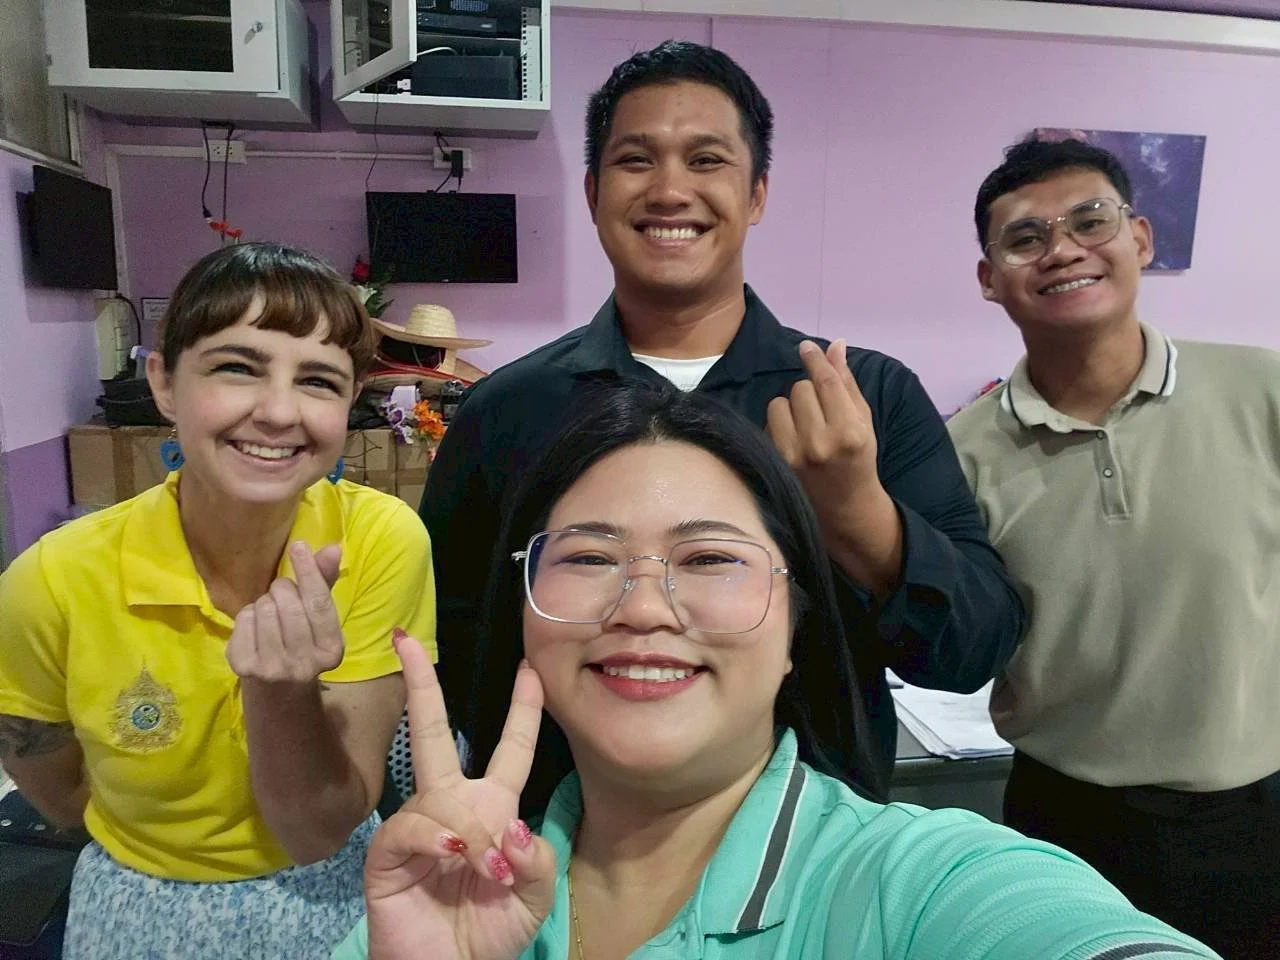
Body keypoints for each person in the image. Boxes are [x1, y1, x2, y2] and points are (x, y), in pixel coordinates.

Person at [334, 379, 1217, 960]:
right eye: (591, 557)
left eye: (711, 559)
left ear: (796, 622)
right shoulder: (429, 901)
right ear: (524, 608)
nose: (643, 606)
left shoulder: (917, 887)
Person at [422, 40, 1024, 783]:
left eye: (707, 160)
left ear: (758, 193)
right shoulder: (505, 410)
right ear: (593, 193)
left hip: (810, 846)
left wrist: (858, 515)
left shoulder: (863, 394)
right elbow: (457, 645)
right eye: (636, 160)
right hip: (558, 845)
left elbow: (975, 650)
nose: (670, 190)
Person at [0, 242, 436, 958]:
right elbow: (48, 777)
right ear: (164, 384)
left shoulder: (382, 540)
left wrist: (280, 692)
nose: (277, 412)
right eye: (238, 367)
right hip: (136, 895)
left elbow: (316, 830)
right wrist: (152, 838)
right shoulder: (52, 578)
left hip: (325, 884)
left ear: (349, 404)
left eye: (319, 381)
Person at [947, 136, 1280, 957]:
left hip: (1255, 818)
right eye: (1026, 238)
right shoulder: (960, 453)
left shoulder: (1263, 392)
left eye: (1090, 221)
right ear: (990, 279)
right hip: (1067, 820)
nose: (1062, 249)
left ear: (1140, 238)